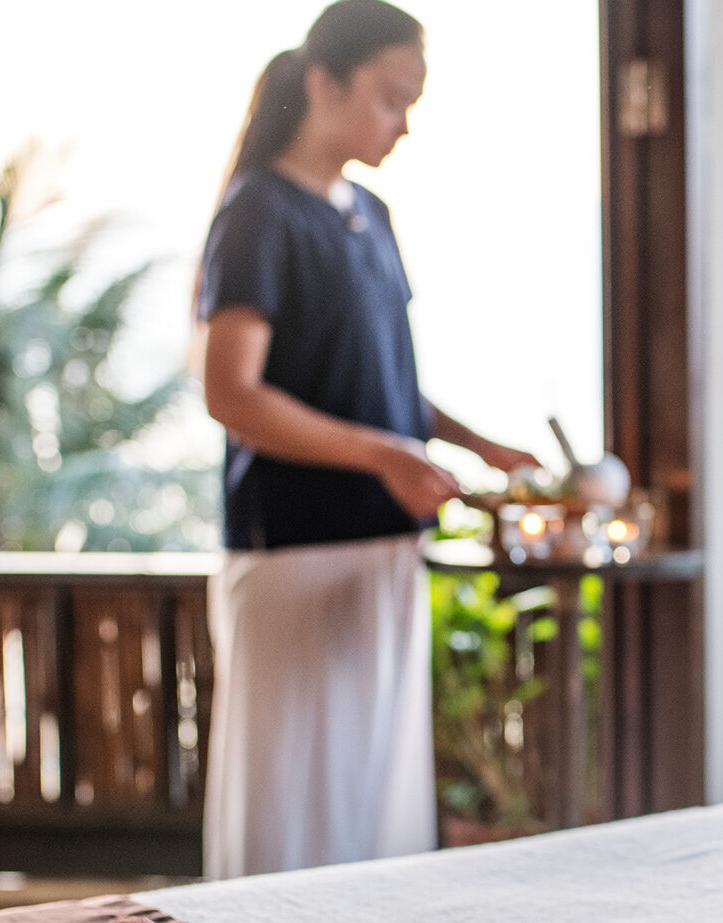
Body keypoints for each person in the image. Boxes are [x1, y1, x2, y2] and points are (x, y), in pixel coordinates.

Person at [195, 0, 537, 878]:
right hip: (295, 557)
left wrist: (478, 444)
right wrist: (385, 455)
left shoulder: (371, 215)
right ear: (324, 82)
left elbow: (381, 377)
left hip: (383, 550)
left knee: (374, 805)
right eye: (391, 98)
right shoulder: (260, 214)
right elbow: (233, 394)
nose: (404, 123)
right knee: (298, 809)